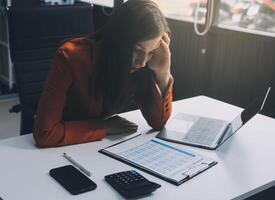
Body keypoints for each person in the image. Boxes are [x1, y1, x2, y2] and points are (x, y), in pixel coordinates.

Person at [33, 0, 173, 147]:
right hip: (61, 147)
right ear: (119, 40)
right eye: (136, 50)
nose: (142, 62)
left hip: (95, 147)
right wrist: (103, 127)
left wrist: (163, 73)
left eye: (150, 52)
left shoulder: (141, 67)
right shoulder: (71, 57)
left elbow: (158, 123)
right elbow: (44, 133)